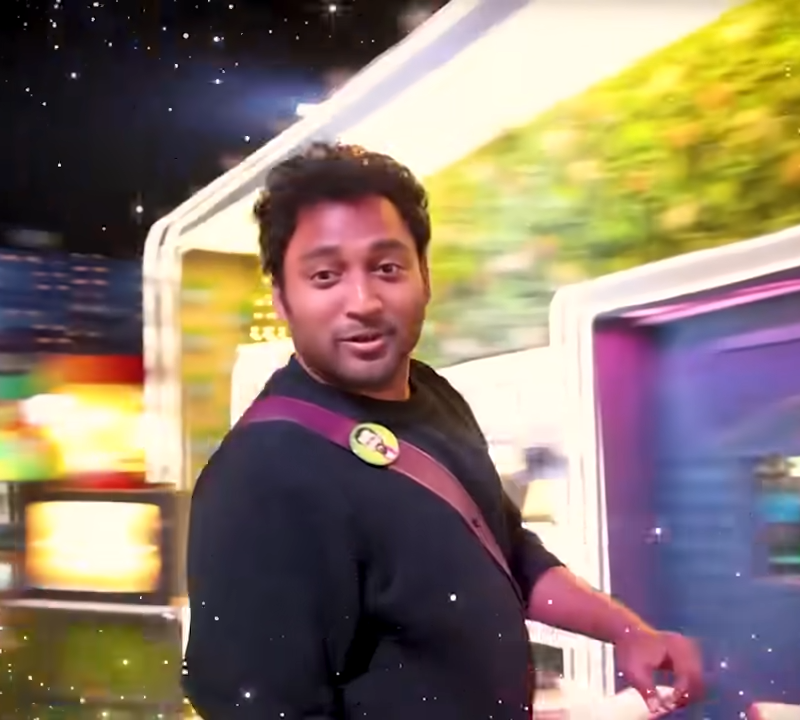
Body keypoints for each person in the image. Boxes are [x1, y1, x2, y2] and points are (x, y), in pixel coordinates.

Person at [183, 142, 704, 720]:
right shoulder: (261, 475)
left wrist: (627, 631)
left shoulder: (434, 397)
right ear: (282, 299)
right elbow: (259, 706)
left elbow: (507, 552)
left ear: (424, 277)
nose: (364, 302)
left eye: (387, 268)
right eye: (325, 276)